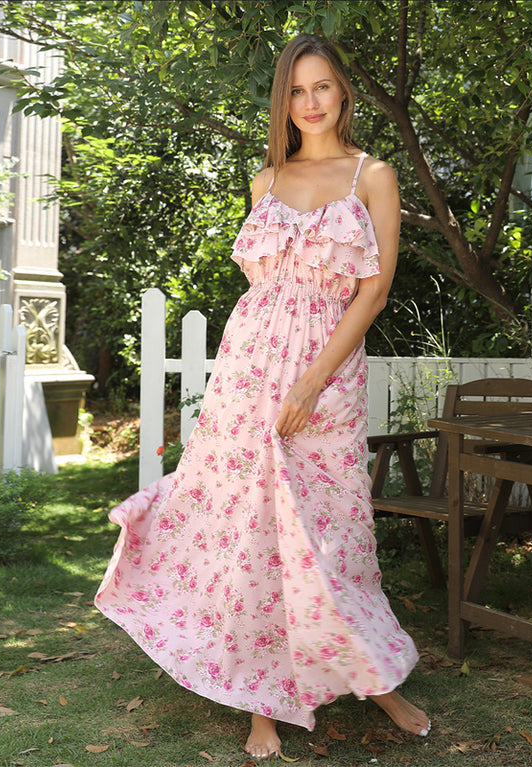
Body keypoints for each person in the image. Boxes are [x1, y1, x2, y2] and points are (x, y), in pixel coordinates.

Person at [95, 33, 430, 760]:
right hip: (248, 368)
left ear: (342, 91)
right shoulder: (265, 178)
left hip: (326, 369)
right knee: (248, 532)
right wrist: (264, 379)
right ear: (282, 102)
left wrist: (312, 381)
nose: (309, 103)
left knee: (329, 532)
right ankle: (260, 702)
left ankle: (374, 680)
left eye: (321, 88)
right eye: (295, 92)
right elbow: (260, 293)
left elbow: (372, 291)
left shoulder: (372, 175)